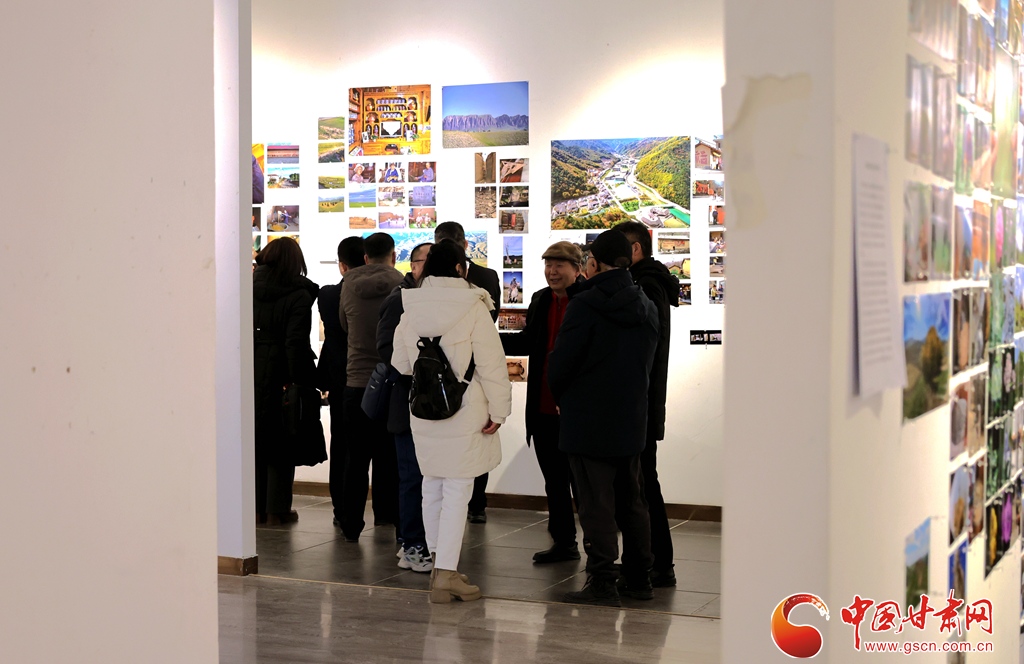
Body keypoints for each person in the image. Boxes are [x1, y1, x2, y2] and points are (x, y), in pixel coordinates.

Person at [391, 241, 512, 602]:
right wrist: (500, 411)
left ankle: (438, 571)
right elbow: (492, 366)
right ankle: (446, 573)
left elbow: (401, 363)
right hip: (465, 409)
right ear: (461, 269)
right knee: (458, 490)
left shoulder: (410, 306)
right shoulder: (474, 306)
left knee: (431, 486)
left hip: (424, 409)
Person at [548, 230, 659, 607]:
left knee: (595, 503)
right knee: (633, 500)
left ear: (593, 263)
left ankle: (603, 581)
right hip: (630, 416)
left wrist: (564, 397)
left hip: (587, 418)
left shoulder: (584, 304)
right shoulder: (646, 304)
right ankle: (640, 577)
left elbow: (561, 362)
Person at [500, 241, 584, 564]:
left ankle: (598, 550)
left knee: (584, 485)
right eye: (548, 264)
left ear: (577, 269)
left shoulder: (587, 300)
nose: (552, 271)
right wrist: (487, 339)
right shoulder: (540, 299)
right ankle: (564, 543)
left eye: (559, 265)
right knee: (555, 482)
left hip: (576, 409)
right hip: (543, 406)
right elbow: (527, 341)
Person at [611, 221, 681, 588]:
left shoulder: (646, 285)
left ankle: (656, 563)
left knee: (641, 485)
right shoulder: (650, 281)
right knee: (641, 483)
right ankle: (654, 561)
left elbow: (640, 343)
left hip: (640, 399)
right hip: (641, 397)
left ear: (635, 250)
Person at [337, 232, 404, 541]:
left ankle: (350, 524)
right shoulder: (403, 286)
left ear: (364, 258)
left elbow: (344, 325)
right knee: (391, 457)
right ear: (393, 256)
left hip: (357, 381)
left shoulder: (348, 285)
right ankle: (389, 516)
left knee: (355, 458)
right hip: (392, 381)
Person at [434, 221, 501, 523]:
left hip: (473, 369)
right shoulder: (425, 284)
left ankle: (477, 504)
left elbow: (491, 318)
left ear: (464, 245)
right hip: (438, 370)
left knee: (476, 440)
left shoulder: (486, 276)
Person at [252, 236, 319, 525]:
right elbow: (295, 342)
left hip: (250, 372)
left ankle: (254, 509)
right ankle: (276, 510)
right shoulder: (299, 294)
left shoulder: (247, 287)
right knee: (280, 443)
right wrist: (301, 380)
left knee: (253, 441)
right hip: (280, 375)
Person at [377, 242, 433, 572]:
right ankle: (412, 543)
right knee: (412, 477)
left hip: (435, 405)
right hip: (407, 401)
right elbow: (386, 348)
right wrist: (421, 370)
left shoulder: (438, 299)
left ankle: (419, 542)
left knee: (430, 478)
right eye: (427, 261)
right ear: (412, 265)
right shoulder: (399, 299)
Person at [318, 237, 365, 530]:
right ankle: (386, 512)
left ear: (342, 265)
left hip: (339, 375)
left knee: (342, 444)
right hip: (375, 375)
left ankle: (342, 509)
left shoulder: (328, 295)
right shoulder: (393, 290)